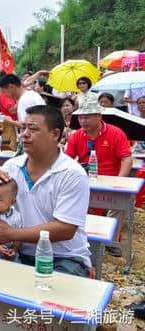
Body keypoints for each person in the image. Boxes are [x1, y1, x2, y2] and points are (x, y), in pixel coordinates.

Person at [0, 105, 92, 276]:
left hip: (62, 257)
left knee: (47, 299)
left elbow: (66, 229)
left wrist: (12, 234)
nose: (24, 134)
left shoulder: (72, 174)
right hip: (18, 251)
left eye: (33, 129)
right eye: (23, 128)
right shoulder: (11, 167)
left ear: (54, 134)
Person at [64, 97, 132, 257]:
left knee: (120, 201)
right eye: (80, 117)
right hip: (85, 178)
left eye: (87, 117)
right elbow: (67, 160)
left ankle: (112, 239)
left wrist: (119, 182)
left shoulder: (115, 133)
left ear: (99, 116)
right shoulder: (76, 136)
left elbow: (126, 159)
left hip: (110, 179)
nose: (83, 121)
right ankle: (78, 237)